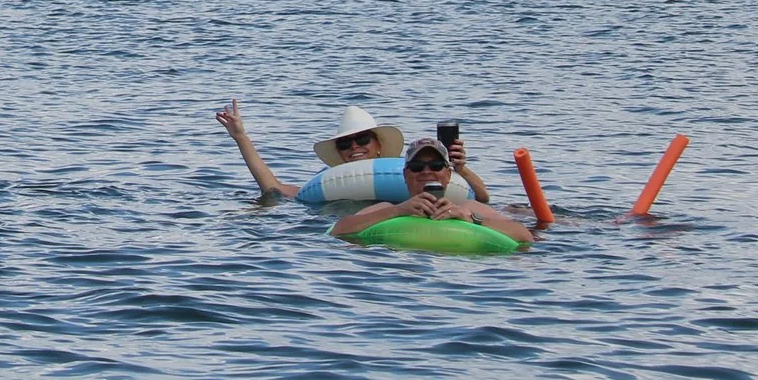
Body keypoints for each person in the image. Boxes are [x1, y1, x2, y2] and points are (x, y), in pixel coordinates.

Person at [215, 100, 491, 202]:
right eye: (345, 145)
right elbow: (272, 189)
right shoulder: (329, 183)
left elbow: (480, 199)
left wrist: (461, 169)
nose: (354, 148)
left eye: (362, 140)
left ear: (379, 144)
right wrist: (241, 137)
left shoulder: (418, 170)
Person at [331, 135, 535, 246]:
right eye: (417, 167)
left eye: (436, 166)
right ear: (405, 175)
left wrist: (469, 218)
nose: (426, 172)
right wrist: (399, 211)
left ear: (448, 174)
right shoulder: (387, 208)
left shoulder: (468, 207)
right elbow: (337, 232)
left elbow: (524, 237)